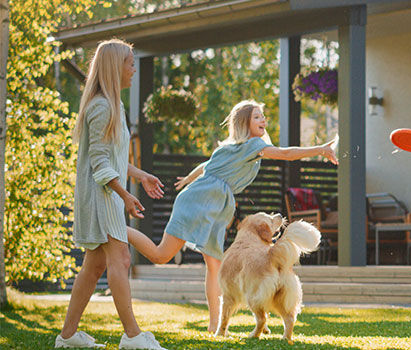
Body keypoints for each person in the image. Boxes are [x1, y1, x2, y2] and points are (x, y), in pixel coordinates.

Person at [126, 100, 338, 333]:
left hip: (211, 206)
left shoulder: (233, 148)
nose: (263, 120)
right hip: (199, 203)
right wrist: (320, 149)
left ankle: (215, 325)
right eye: (257, 116)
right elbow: (285, 154)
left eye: (263, 116)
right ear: (244, 122)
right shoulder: (252, 145)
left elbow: (206, 165)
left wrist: (188, 178)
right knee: (161, 255)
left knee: (214, 266)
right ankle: (121, 230)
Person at [57, 39, 167, 349]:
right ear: (113, 67)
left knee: (94, 266)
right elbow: (100, 163)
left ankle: (66, 337)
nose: (134, 68)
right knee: (119, 257)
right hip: (101, 196)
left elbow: (114, 158)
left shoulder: (114, 105)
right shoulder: (102, 107)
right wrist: (125, 195)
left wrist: (140, 175)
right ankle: (132, 335)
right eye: (130, 62)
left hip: (107, 194)